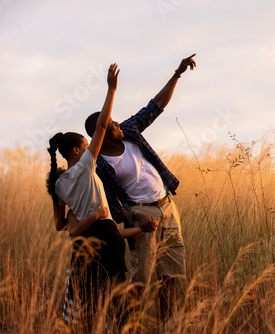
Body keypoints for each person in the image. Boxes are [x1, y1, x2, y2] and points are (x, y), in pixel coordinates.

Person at [82, 54, 196, 321]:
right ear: (102, 131)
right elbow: (112, 203)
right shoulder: (100, 165)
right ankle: (128, 325)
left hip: (167, 206)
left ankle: (164, 325)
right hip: (143, 216)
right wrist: (135, 217)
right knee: (141, 278)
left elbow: (155, 105)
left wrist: (177, 74)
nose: (118, 124)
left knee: (171, 273)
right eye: (112, 124)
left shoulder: (130, 129)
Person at [45, 64, 156, 329]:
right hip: (105, 234)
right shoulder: (84, 166)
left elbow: (61, 226)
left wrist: (76, 214)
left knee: (90, 302)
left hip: (82, 244)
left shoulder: (58, 186)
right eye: (84, 146)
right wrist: (111, 89)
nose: (89, 148)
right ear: (76, 151)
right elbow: (102, 127)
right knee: (118, 296)